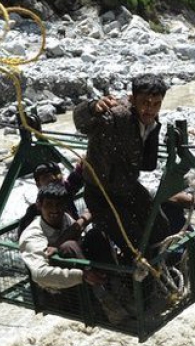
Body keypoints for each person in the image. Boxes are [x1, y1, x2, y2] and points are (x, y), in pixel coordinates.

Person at [73, 73, 172, 260]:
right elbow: (81, 123)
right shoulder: (116, 116)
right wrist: (92, 107)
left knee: (160, 228)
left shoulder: (151, 120)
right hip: (101, 195)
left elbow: (147, 163)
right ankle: (135, 275)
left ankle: (166, 268)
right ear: (133, 99)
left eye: (156, 104)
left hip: (127, 187)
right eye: (145, 102)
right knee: (134, 244)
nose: (150, 109)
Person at [19, 182, 129, 323]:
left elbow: (79, 241)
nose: (55, 210)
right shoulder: (32, 235)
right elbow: (40, 275)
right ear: (39, 205)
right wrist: (82, 276)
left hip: (82, 281)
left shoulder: (65, 218)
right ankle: (105, 303)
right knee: (69, 246)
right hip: (56, 291)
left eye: (59, 205)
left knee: (95, 235)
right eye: (49, 205)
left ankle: (119, 292)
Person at [17, 160, 89, 237]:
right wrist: (84, 219)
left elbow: (75, 178)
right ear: (38, 184)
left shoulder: (66, 193)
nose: (53, 178)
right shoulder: (33, 214)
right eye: (46, 177)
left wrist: (83, 165)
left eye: (57, 174)